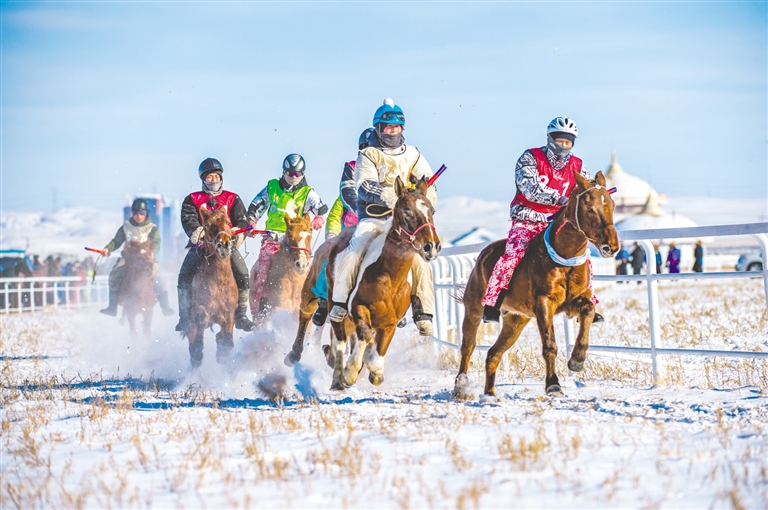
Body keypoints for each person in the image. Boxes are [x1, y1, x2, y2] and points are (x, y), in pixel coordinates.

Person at [328, 98, 438, 336]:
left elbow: (427, 180)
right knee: (354, 250)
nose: (393, 132)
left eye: (397, 128)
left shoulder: (413, 154)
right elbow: (364, 185)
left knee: (419, 260)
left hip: (404, 223)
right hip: (375, 218)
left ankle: (423, 312)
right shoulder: (368, 155)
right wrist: (387, 195)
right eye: (388, 128)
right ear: (378, 128)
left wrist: (426, 196)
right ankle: (340, 301)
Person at [481, 117, 603, 323]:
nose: (563, 145)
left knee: (584, 256)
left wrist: (596, 193)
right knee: (512, 253)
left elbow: (586, 189)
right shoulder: (530, 158)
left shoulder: (578, 166)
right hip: (528, 218)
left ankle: (587, 301)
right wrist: (559, 198)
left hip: (558, 222)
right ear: (550, 138)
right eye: (559, 140)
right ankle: (493, 303)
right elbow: (529, 187)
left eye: (568, 142)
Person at [176, 158, 255, 332]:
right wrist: (197, 231)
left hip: (227, 244)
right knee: (184, 276)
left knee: (242, 272)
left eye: (216, 176)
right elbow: (188, 219)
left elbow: (241, 219)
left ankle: (241, 315)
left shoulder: (233, 198)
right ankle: (184, 316)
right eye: (210, 177)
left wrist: (237, 232)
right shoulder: (192, 199)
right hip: (202, 246)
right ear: (203, 179)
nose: (214, 180)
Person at [247, 154, 328, 317]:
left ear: (303, 174)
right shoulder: (272, 188)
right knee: (261, 269)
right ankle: (259, 309)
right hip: (273, 240)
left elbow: (322, 208)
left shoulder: (307, 192)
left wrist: (319, 218)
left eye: (297, 174)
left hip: (297, 243)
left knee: (313, 272)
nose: (293, 177)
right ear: (284, 172)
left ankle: (318, 305)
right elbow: (255, 206)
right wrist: (252, 222)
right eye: (290, 173)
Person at [312, 129, 370, 327]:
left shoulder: (387, 169)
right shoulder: (351, 172)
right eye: (366, 148)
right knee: (333, 257)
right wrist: (331, 234)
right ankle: (323, 300)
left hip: (379, 228)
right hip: (352, 230)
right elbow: (335, 214)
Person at [99, 198, 174, 317]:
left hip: (146, 259)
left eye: (142, 213)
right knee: (114, 275)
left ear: (146, 213)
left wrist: (151, 251)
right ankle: (112, 307)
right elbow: (116, 241)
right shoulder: (126, 227)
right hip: (127, 259)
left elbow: (156, 242)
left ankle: (165, 306)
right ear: (132, 213)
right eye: (135, 213)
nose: (138, 216)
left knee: (158, 278)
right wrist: (107, 249)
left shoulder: (151, 228)